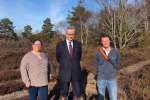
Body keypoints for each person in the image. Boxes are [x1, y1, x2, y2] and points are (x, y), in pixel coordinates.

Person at [56, 26, 84, 100]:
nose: (70, 36)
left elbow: (79, 56)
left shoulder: (78, 44)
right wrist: (65, 64)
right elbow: (58, 58)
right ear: (65, 34)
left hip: (75, 71)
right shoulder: (60, 45)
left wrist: (73, 64)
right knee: (64, 92)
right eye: (69, 34)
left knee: (78, 91)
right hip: (64, 71)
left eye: (72, 34)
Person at [94, 34, 120, 100]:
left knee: (114, 98)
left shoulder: (115, 51)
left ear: (109, 41)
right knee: (100, 97)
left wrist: (112, 70)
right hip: (101, 78)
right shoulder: (98, 52)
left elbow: (118, 62)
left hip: (112, 78)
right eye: (104, 41)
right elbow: (96, 64)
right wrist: (101, 70)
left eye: (107, 41)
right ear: (101, 42)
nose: (106, 43)